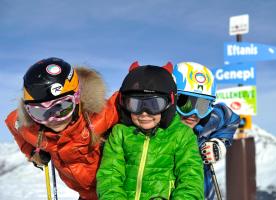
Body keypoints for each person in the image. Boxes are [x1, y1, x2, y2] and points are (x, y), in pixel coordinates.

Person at [5, 57, 119, 200]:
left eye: (62, 107)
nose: (52, 119)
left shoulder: (99, 117)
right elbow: (13, 122)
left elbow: (123, 99)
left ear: (77, 98)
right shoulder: (35, 130)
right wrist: (33, 151)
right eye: (39, 112)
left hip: (117, 192)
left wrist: (144, 78)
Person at [96, 62, 204, 200]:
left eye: (154, 104)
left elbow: (191, 179)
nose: (144, 113)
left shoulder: (182, 135)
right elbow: (109, 175)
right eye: (135, 104)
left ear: (169, 104)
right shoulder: (120, 133)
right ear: (125, 104)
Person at [173, 62, 240, 200]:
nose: (194, 114)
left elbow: (230, 118)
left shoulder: (206, 123)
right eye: (185, 104)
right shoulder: (159, 128)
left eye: (202, 106)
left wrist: (218, 143)